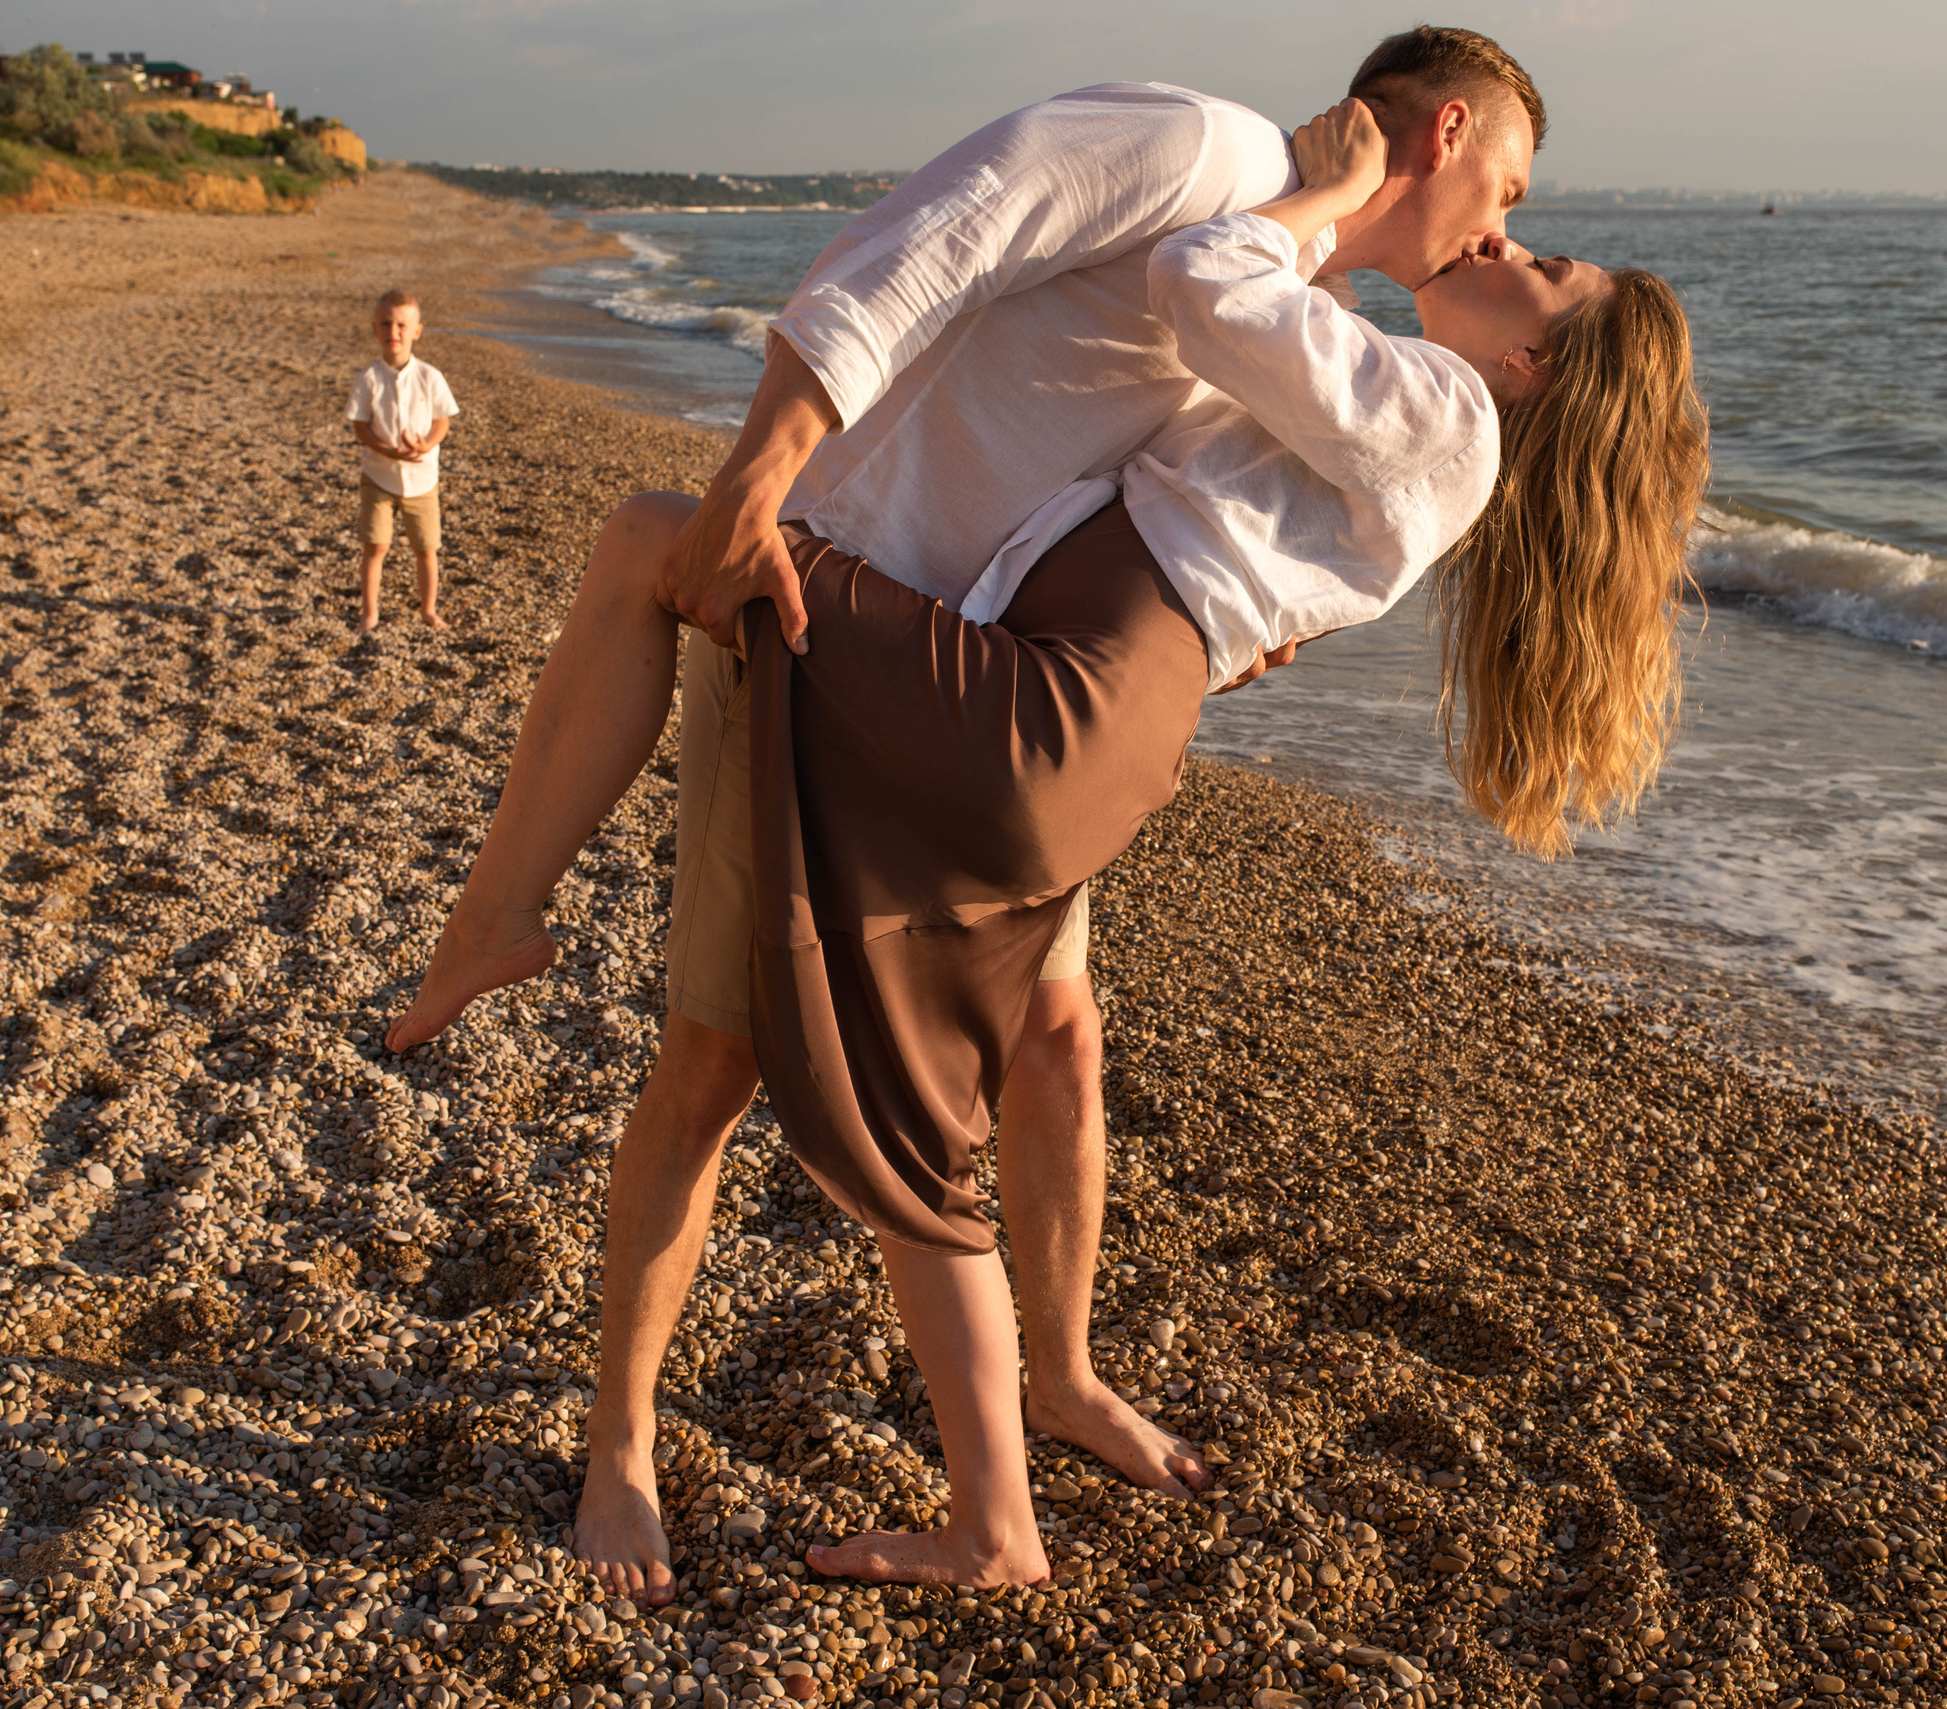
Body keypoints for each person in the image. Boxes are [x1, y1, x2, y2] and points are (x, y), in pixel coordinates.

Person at [393, 30, 1695, 1594]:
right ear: (1453, 133)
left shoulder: (1355, 335)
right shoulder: (1210, 161)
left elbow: (1220, 430)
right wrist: (772, 461)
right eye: (1517, 199)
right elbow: (935, 245)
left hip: (997, 699)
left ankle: (1023, 1438)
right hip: (959, 661)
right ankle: (643, 1443)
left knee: (907, 1064)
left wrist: (1251, 611)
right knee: (803, 1060)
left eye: (1535, 246)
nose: (1507, 231)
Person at [348, 290, 460, 634]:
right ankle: (370, 613)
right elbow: (360, 425)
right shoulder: (368, 378)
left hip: (423, 478)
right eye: (386, 324)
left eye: (401, 324)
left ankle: (428, 610)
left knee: (427, 548)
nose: (393, 331)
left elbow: (443, 419)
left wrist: (426, 444)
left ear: (417, 330)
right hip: (378, 475)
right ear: (374, 329)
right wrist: (388, 450)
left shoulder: (430, 376)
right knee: (375, 546)